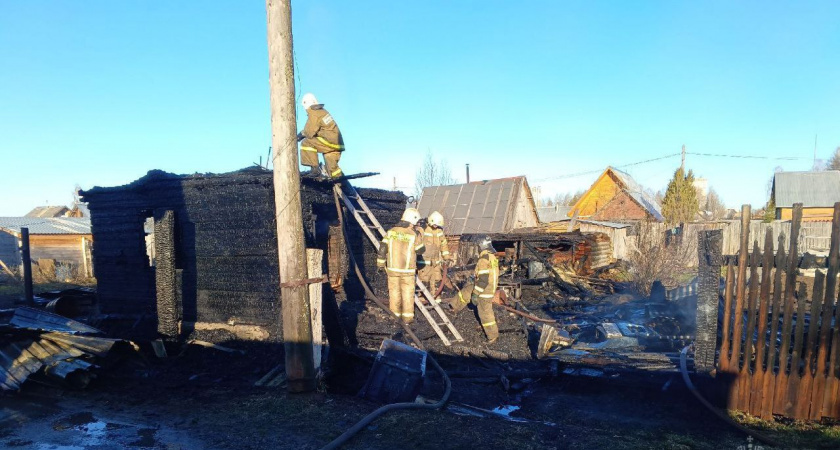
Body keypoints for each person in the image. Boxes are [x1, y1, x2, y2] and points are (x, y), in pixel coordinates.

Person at [376, 208, 425, 323]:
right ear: (412, 220)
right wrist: (420, 234)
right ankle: (407, 319)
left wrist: (380, 265)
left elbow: (382, 248)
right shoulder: (414, 234)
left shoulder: (391, 231)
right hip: (407, 271)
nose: (416, 224)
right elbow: (420, 250)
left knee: (394, 293)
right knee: (407, 294)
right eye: (416, 222)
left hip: (392, 270)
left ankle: (395, 317)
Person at [447, 236, 499, 343]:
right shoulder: (491, 257)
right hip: (488, 287)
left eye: (478, 246)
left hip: (485, 291)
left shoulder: (484, 259)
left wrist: (476, 293)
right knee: (466, 291)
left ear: (481, 246)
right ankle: (454, 307)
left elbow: (483, 280)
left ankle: (492, 336)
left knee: (485, 314)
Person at [297, 93, 345, 179]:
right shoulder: (322, 111)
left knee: (306, 143)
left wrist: (299, 136)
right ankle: (343, 185)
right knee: (332, 168)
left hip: (329, 141)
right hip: (337, 143)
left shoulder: (314, 112)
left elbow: (309, 131)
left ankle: (315, 170)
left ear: (305, 104)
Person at [417, 211, 451, 302]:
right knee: (425, 280)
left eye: (437, 224)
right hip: (424, 261)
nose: (436, 226)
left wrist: (446, 257)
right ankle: (423, 299)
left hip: (436, 261)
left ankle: (436, 297)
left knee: (437, 279)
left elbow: (443, 244)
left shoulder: (439, 231)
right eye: (435, 224)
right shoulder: (423, 229)